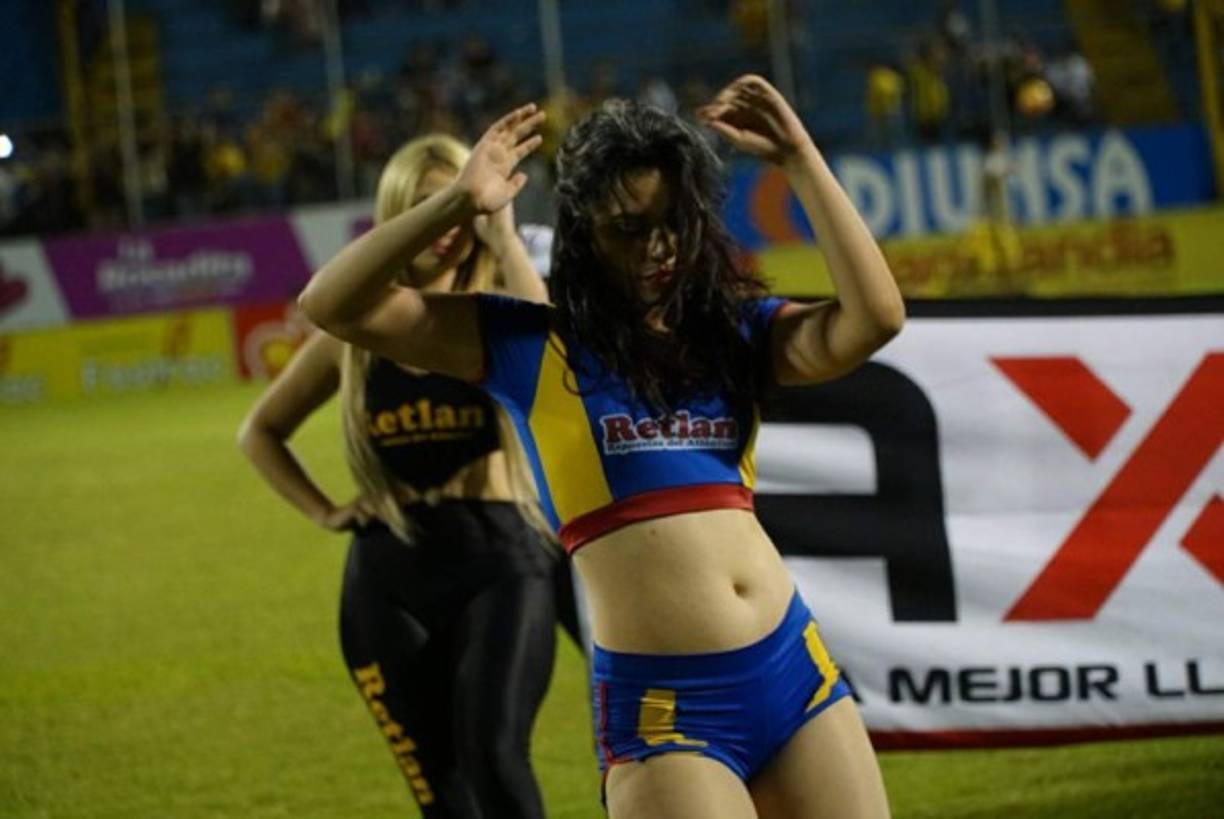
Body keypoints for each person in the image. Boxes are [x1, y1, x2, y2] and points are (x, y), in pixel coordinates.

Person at [299, 75, 902, 818]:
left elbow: (875, 317)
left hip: (794, 670)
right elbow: (329, 304)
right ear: (583, 228)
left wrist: (803, 160)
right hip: (666, 714)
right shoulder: (530, 345)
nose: (659, 248)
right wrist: (456, 203)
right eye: (630, 226)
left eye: (674, 221)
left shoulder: (736, 334)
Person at [238, 133, 565, 819]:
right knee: (440, 791)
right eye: (429, 208)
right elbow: (260, 431)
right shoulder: (352, 337)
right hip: (389, 576)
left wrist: (502, 235)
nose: (446, 229)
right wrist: (324, 510)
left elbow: (546, 354)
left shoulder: (496, 312)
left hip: (502, 559)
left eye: (456, 207)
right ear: (399, 215)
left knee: (494, 756)